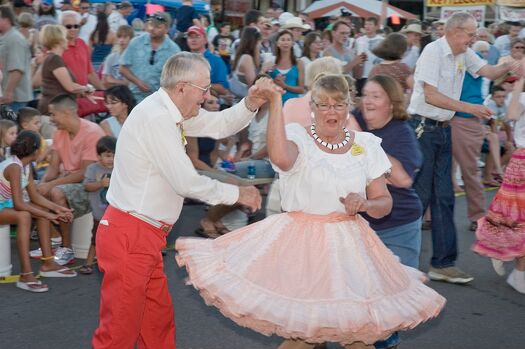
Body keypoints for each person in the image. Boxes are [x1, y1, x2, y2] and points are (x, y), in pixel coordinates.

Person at [176, 74, 445, 349]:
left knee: (354, 336)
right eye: (324, 105)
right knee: (303, 337)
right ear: (313, 108)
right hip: (302, 247)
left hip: (349, 248)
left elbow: (383, 202)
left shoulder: (365, 145)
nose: (332, 111)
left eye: (339, 105)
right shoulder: (297, 137)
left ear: (348, 107)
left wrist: (365, 205)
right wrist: (276, 102)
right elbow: (281, 158)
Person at [91, 51, 271, 349]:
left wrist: (250, 102)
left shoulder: (170, 111)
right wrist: (238, 193)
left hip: (141, 234)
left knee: (157, 324)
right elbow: (186, 181)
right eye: (204, 89)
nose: (207, 96)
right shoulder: (158, 117)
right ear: (183, 87)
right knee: (118, 333)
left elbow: (219, 125)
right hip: (131, 234)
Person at [407, 12, 521, 284]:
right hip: (423, 129)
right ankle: (402, 264)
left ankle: (443, 264)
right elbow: (431, 95)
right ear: (455, 32)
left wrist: (511, 64)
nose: (474, 39)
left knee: (444, 198)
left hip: (442, 130)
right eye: (470, 34)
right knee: (420, 198)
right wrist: (469, 108)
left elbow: (488, 71)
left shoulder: (463, 52)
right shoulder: (433, 52)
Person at [0, 130, 76, 293]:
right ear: (35, 151)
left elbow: (34, 197)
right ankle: (25, 274)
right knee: (25, 215)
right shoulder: (14, 167)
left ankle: (48, 263)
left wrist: (58, 209)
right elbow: (20, 204)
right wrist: (50, 215)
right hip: (4, 206)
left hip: (4, 205)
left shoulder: (25, 166)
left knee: (40, 210)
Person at [38, 94, 105, 266]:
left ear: (67, 112)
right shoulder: (59, 133)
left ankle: (66, 248)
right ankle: (53, 239)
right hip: (67, 180)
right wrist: (41, 185)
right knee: (37, 191)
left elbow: (85, 172)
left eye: (53, 114)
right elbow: (53, 168)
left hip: (93, 185)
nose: (51, 119)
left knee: (55, 191)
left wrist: (50, 185)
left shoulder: (92, 132)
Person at [473, 75, 525, 294]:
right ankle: (518, 272)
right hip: (523, 163)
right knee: (518, 220)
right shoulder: (522, 97)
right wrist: (521, 81)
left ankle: (508, 256)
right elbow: (512, 115)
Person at [120, 11, 180, 102]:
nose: (152, 28)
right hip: (134, 97)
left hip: (159, 100)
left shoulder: (174, 50)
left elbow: (177, 78)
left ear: (167, 29)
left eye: (157, 27)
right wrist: (137, 82)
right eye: (151, 25)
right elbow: (123, 68)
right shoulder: (136, 42)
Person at [36, 24, 95, 115]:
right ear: (59, 41)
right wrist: (87, 88)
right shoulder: (54, 59)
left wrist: (82, 91)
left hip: (58, 110)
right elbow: (70, 87)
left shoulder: (53, 58)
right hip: (54, 112)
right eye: (65, 38)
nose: (67, 40)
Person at [79, 136, 116, 275]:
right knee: (96, 238)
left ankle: (113, 263)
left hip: (117, 213)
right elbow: (87, 186)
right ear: (99, 156)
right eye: (107, 155)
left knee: (117, 240)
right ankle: (88, 262)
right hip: (100, 213)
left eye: (114, 155)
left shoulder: (120, 168)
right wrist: (100, 184)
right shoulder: (93, 169)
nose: (111, 159)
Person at [61, 10, 105, 91]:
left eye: (76, 26)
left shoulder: (82, 43)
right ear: (61, 27)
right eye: (68, 26)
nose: (73, 29)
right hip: (65, 97)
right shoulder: (57, 46)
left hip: (82, 95)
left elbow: (90, 73)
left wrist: (103, 90)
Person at [0, 5, 33, 112]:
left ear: (6, 19)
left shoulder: (14, 39)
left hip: (15, 98)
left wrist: (8, 92)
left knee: (12, 127)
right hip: (8, 96)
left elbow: (17, 69)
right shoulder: (6, 37)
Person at [269, 30, 305, 104]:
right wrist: (273, 82)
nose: (286, 42)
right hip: (274, 105)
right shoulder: (271, 63)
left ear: (292, 43)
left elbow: (301, 89)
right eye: (282, 40)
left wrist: (285, 86)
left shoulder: (299, 63)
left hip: (293, 106)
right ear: (277, 43)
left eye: (288, 40)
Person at [17, 107, 51, 177]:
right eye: (36, 123)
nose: (40, 125)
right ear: (25, 125)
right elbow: (35, 161)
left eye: (40, 122)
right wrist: (48, 151)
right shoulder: (26, 140)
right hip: (38, 170)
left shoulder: (37, 134)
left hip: (46, 165)